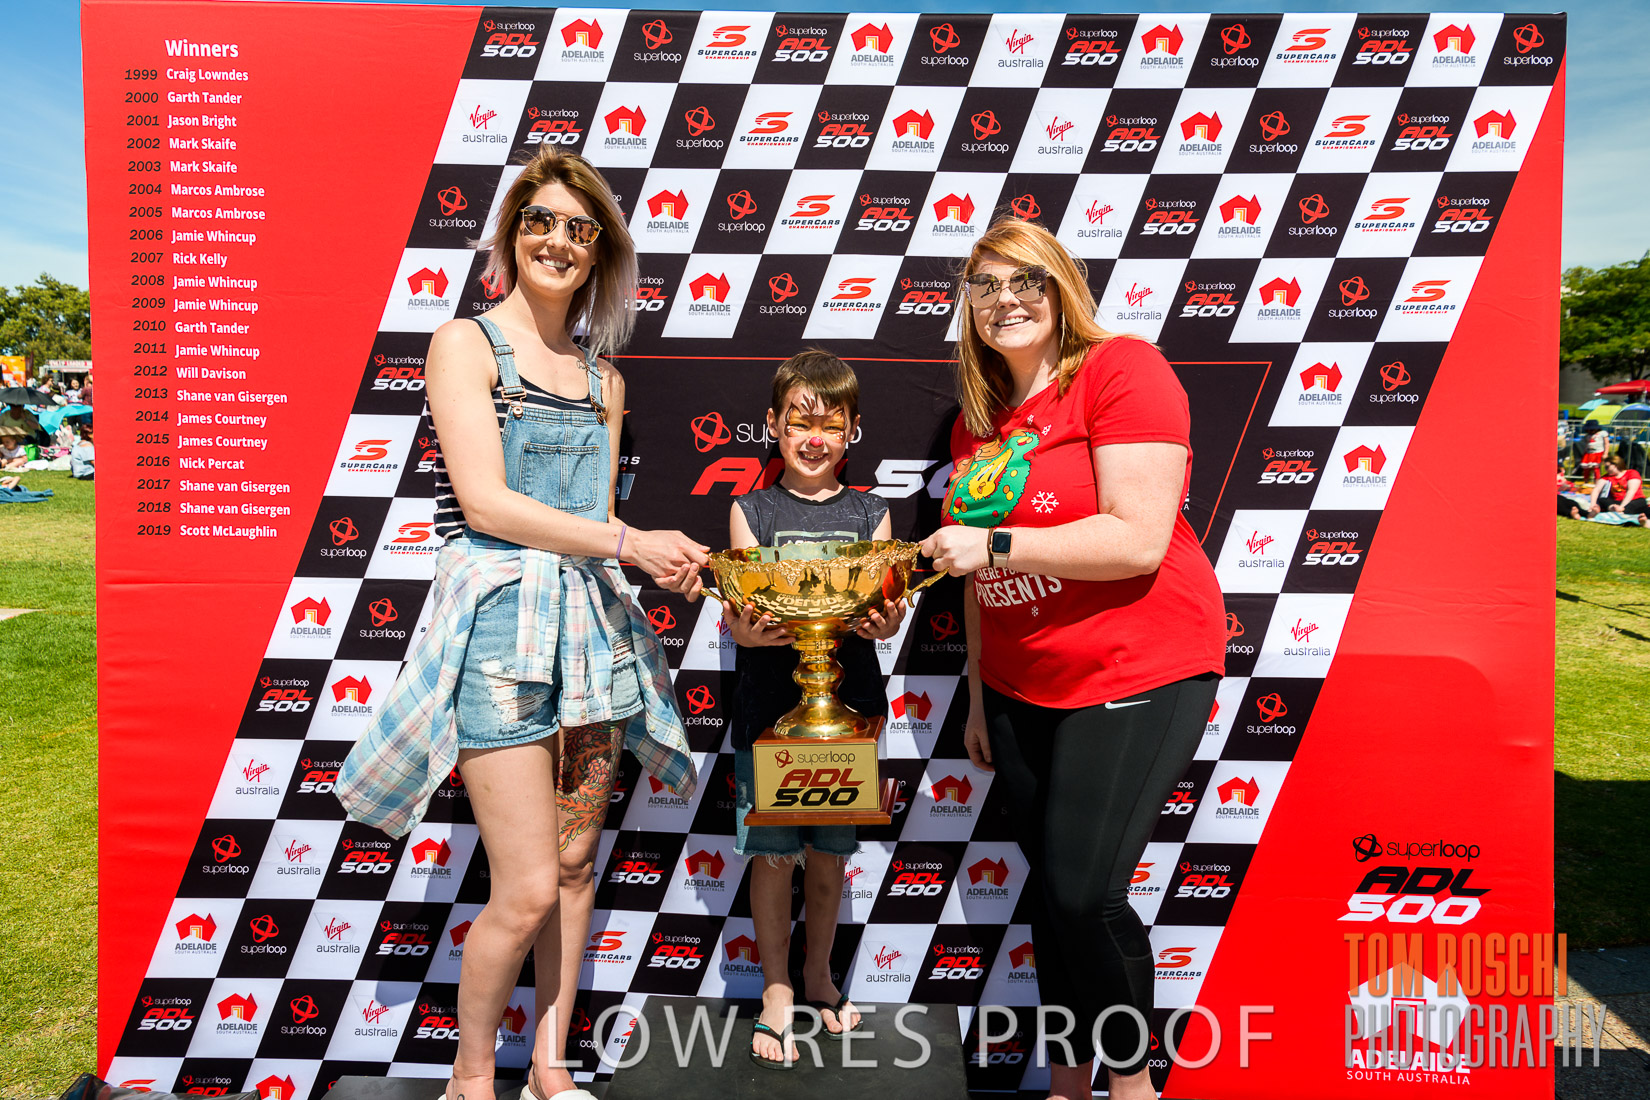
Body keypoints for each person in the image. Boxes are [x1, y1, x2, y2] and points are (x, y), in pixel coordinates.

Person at [336, 147, 708, 1100]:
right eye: (539, 221)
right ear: (511, 235)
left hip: (590, 634)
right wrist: (630, 540)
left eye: (581, 230)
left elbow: (589, 526)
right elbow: (488, 505)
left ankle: (549, 1066)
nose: (559, 241)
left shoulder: (603, 379)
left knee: (577, 866)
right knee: (530, 885)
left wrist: (658, 563)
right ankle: (469, 1079)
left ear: (600, 253)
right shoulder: (465, 345)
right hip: (501, 635)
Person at [918, 218, 1224, 1100]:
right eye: (984, 285)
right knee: (1053, 898)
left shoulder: (1122, 369)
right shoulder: (979, 425)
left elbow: (1136, 539)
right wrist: (981, 696)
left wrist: (995, 544)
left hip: (1135, 665)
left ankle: (1133, 1089)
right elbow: (978, 579)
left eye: (1027, 281)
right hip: (1020, 685)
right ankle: (1067, 1086)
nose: (1005, 299)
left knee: (1086, 895)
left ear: (1062, 290)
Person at [693, 350, 904, 1067]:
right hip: (769, 709)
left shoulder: (872, 512)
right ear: (773, 426)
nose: (814, 439)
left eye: (830, 425)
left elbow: (880, 609)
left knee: (830, 852)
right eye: (799, 423)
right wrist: (746, 631)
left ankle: (819, 974)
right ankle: (777, 987)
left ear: (852, 432)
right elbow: (746, 610)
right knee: (773, 856)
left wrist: (885, 623)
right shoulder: (750, 509)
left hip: (850, 707)